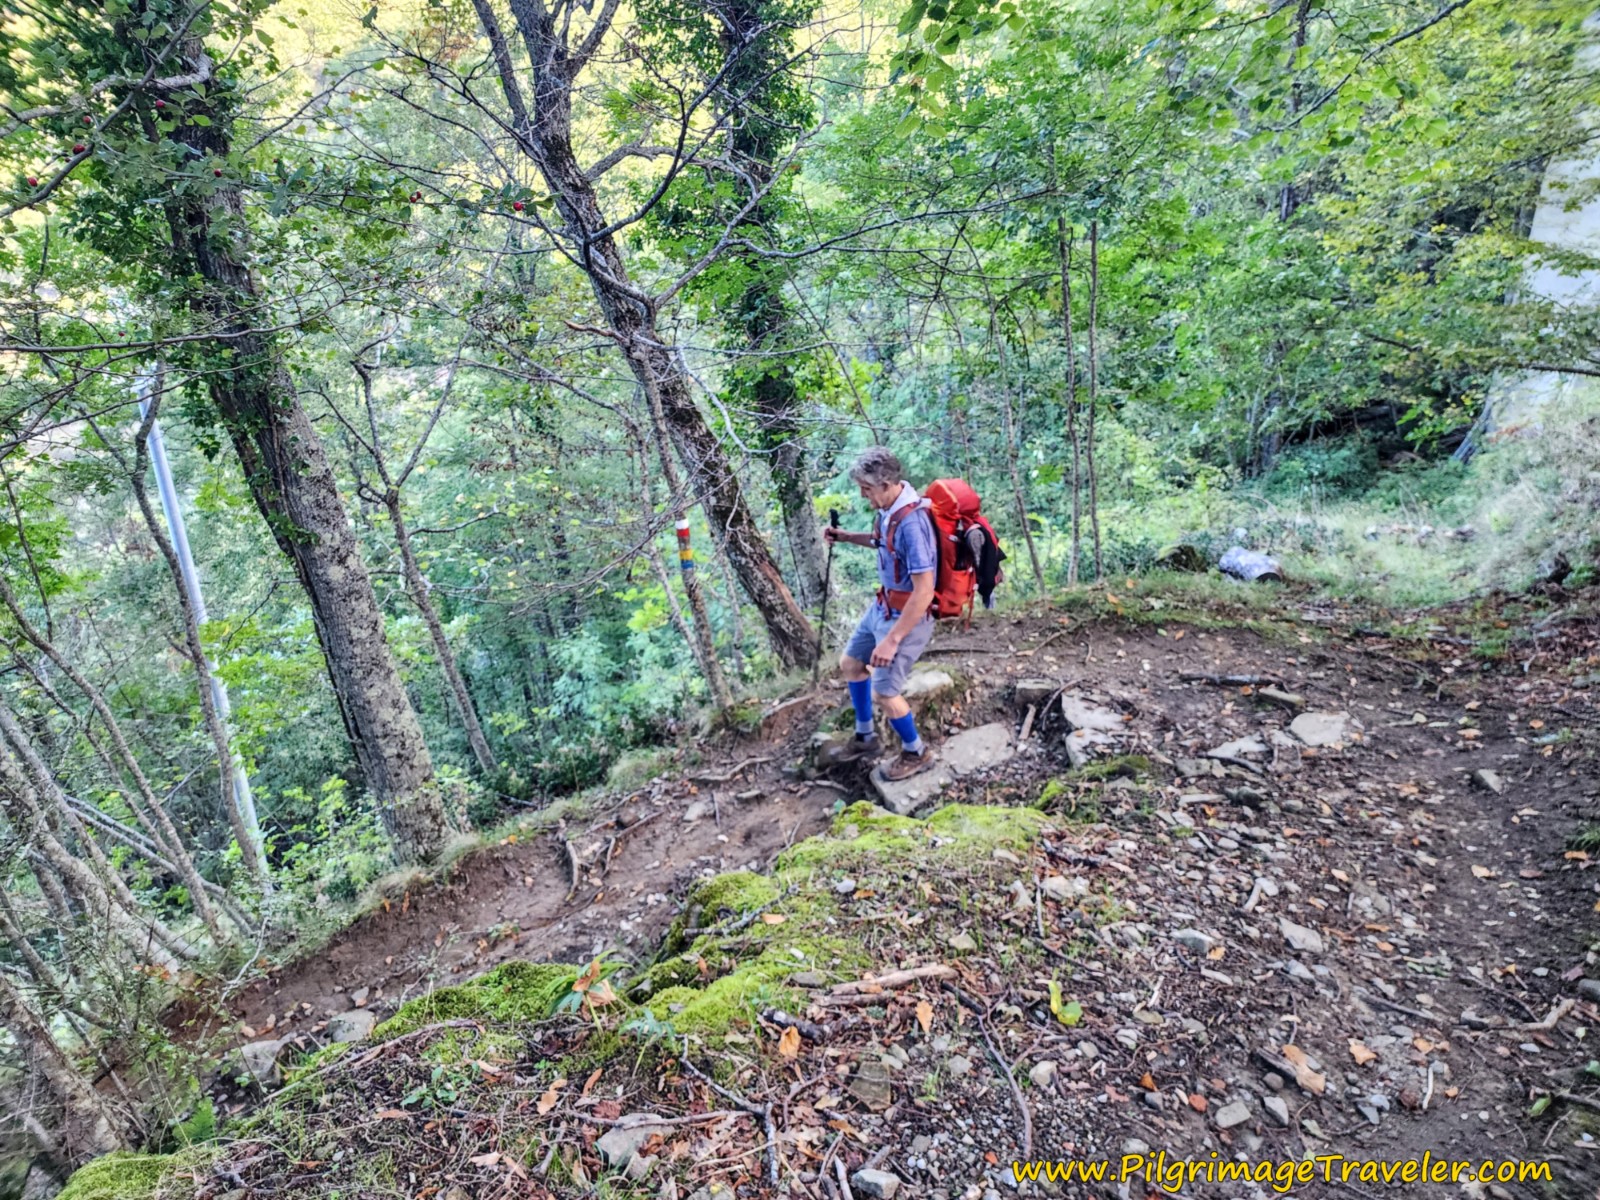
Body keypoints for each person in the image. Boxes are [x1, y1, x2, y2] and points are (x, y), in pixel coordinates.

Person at [823, 447, 938, 781]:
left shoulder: (912, 525)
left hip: (906, 617)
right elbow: (880, 542)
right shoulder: (890, 510)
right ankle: (865, 737)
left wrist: (892, 640)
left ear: (887, 484)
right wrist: (845, 537)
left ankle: (918, 752)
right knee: (852, 664)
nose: (863, 494)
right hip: (883, 606)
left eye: (867, 489)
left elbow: (924, 590)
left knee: (886, 692)